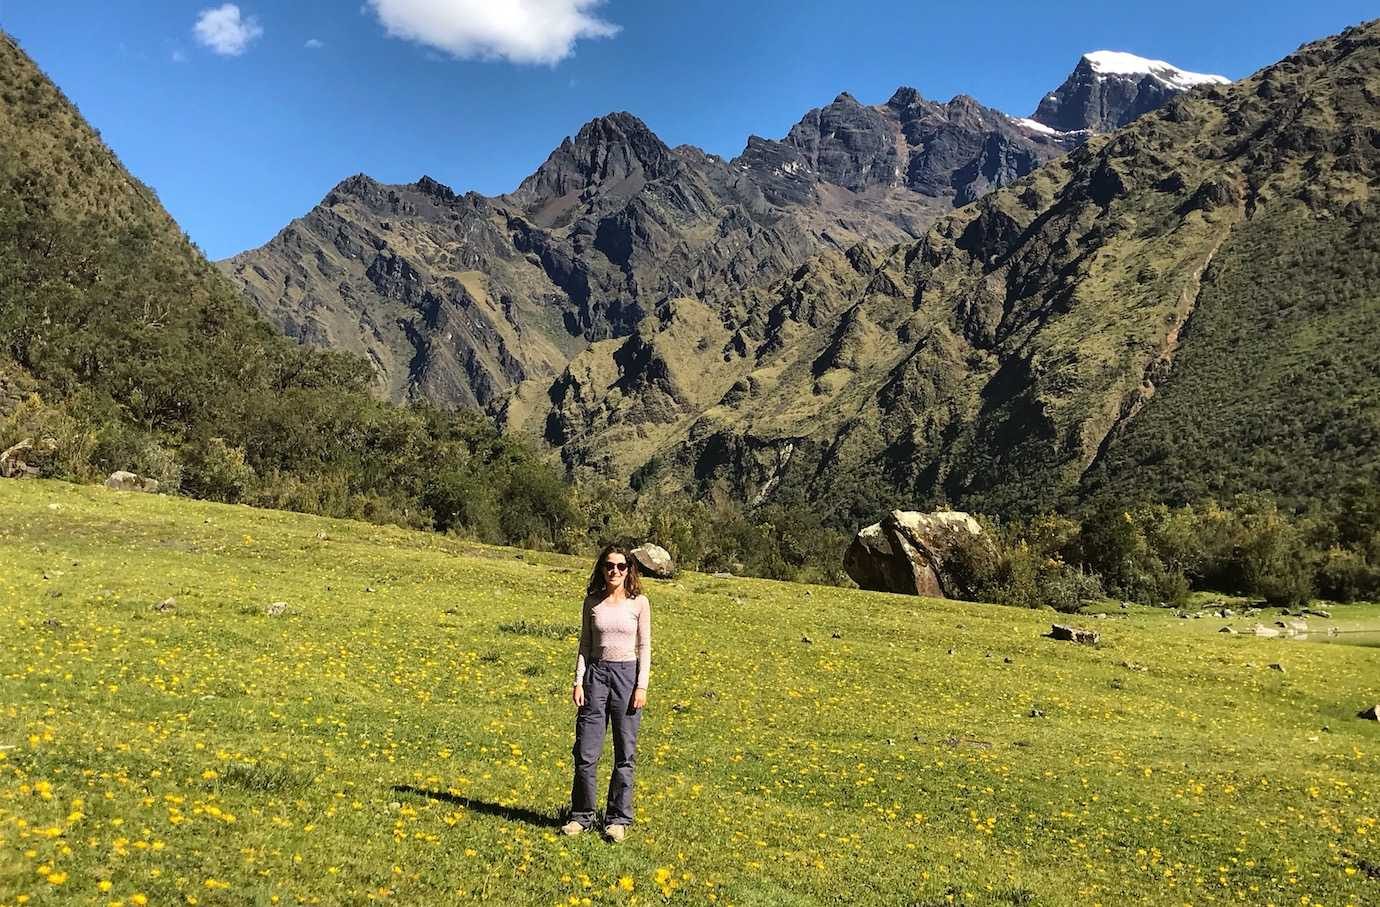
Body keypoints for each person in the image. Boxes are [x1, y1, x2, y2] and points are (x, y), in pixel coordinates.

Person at [561, 544, 651, 842]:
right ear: (602, 568)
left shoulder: (640, 604)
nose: (615, 571)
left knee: (625, 753)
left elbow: (645, 647)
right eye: (610, 566)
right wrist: (578, 681)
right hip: (595, 676)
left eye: (621, 566)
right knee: (586, 751)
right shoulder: (592, 602)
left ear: (629, 571)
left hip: (627, 675)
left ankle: (617, 819)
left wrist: (641, 686)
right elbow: (585, 645)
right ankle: (581, 816)